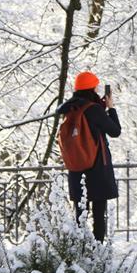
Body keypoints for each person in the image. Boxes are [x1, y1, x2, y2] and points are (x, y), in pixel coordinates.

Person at [57, 70, 121, 241]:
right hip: (97, 167)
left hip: (76, 168)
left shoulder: (70, 109)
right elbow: (115, 131)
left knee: (80, 214)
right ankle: (98, 253)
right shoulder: (94, 110)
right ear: (92, 89)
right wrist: (111, 108)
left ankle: (80, 250)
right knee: (99, 214)